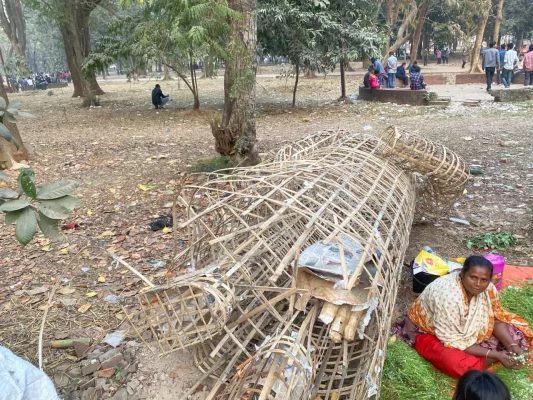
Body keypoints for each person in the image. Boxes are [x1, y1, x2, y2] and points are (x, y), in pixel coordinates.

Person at [403, 256, 533, 379]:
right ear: (462, 273)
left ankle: (497, 354)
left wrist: (511, 344)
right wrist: (496, 355)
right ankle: (495, 356)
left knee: (516, 335)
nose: (478, 284)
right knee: (458, 365)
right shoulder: (448, 296)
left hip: (463, 332)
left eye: (484, 280)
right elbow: (452, 339)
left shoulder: (488, 289)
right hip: (430, 332)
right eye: (473, 277)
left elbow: (497, 319)